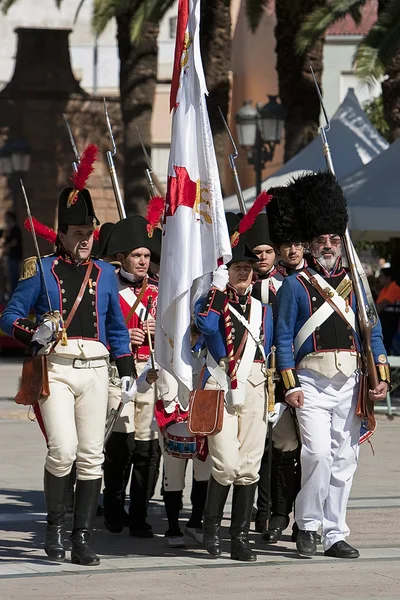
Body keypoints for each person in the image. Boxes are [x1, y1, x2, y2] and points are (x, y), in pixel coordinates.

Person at [0, 165, 136, 566]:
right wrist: (33, 332)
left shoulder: (106, 274)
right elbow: (8, 316)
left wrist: (126, 371)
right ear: (61, 234)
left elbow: (115, 327)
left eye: (88, 233)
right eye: (76, 233)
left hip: (95, 368)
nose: (84, 240)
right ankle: (54, 528)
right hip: (56, 367)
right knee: (63, 448)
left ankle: (81, 538)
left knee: (92, 454)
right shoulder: (40, 270)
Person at [275, 171, 390, 559]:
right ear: (309, 244)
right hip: (310, 381)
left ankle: (334, 532)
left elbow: (372, 331)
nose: (328, 244)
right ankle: (306, 525)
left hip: (351, 382)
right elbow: (284, 337)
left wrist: (382, 376)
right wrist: (289, 383)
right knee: (318, 454)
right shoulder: (296, 284)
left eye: (333, 238)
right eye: (321, 239)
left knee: (345, 459)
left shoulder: (357, 284)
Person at [195, 213, 274, 562]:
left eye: (248, 266)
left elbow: (267, 350)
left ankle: (239, 536)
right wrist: (215, 289)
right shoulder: (213, 303)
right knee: (225, 464)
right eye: (236, 266)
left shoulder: (262, 310)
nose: (244, 271)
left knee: (249, 467)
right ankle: (211, 530)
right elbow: (206, 327)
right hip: (220, 383)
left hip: (255, 385)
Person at [244, 192, 303, 542]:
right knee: (262, 448)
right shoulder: (242, 285)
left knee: (291, 448)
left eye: (269, 251)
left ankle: (288, 513)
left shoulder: (293, 285)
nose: (264, 258)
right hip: (254, 375)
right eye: (260, 252)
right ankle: (267, 514)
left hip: (288, 375)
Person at [102, 215, 161, 538]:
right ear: (122, 257)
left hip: (150, 375)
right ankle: (113, 508)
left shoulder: (157, 290)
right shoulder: (108, 287)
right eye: (137, 255)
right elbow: (99, 329)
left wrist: (158, 330)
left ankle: (139, 514)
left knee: (147, 448)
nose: (142, 261)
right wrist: (126, 336)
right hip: (119, 374)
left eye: (147, 256)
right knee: (120, 446)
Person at [376, 267, 400, 353]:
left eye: (382, 276)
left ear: (388, 278)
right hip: (385, 322)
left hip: (391, 323)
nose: (379, 279)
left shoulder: (394, 287)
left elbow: (380, 306)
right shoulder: (385, 288)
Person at [0, 211, 22, 296]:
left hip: (14, 256)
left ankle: (13, 296)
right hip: (6, 257)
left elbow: (14, 242)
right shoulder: (5, 230)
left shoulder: (15, 229)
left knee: (13, 277)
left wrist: (6, 247)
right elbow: (2, 241)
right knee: (6, 277)